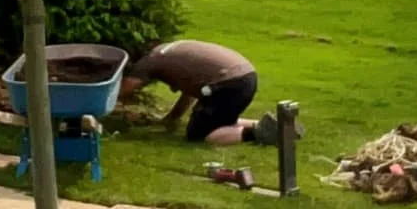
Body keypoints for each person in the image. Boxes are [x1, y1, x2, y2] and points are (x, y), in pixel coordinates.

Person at [121, 39, 301, 146]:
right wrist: (171, 118)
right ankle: (278, 126)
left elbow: (124, 89)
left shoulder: (148, 62)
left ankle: (261, 134)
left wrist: (98, 112)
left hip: (229, 83)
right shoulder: (168, 50)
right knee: (221, 119)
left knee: (201, 135)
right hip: (245, 74)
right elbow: (190, 92)